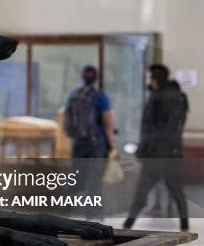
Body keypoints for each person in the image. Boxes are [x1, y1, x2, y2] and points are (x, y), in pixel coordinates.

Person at [124, 65, 189, 231]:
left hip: (156, 154)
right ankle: (185, 224)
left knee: (142, 190)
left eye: (151, 79)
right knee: (177, 190)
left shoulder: (157, 98)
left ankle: (128, 224)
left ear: (156, 79)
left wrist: (141, 151)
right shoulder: (180, 97)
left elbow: (149, 128)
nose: (149, 82)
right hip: (174, 152)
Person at [64, 66, 115, 220]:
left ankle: (63, 211)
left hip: (78, 144)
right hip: (95, 144)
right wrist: (112, 145)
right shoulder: (100, 96)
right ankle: (93, 216)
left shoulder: (73, 95)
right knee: (94, 181)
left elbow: (68, 121)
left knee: (75, 179)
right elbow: (107, 123)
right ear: (96, 78)